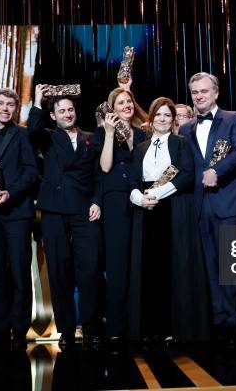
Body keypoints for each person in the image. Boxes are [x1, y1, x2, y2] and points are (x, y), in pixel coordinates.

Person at [127, 97, 209, 343]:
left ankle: (174, 327)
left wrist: (156, 193)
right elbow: (132, 180)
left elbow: (185, 175)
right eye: (158, 115)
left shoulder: (180, 143)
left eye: (167, 115)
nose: (163, 119)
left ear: (173, 120)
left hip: (173, 209)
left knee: (173, 266)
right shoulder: (141, 147)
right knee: (148, 269)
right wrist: (139, 198)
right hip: (146, 212)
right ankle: (150, 328)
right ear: (151, 118)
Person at [28, 84, 102, 348]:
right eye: (62, 110)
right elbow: (31, 132)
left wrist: (96, 201)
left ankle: (92, 329)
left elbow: (100, 174)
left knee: (90, 269)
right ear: (53, 116)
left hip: (85, 210)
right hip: (54, 210)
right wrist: (38, 100)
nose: (68, 114)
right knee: (59, 271)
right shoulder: (47, 137)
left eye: (70, 110)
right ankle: (67, 331)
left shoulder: (91, 138)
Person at [179, 72, 236, 339]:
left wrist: (217, 171)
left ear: (216, 93)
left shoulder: (234, 119)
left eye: (204, 91)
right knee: (208, 265)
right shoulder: (185, 128)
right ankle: (219, 320)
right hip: (198, 205)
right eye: (195, 92)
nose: (199, 96)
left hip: (227, 202)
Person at [0, 88, 38, 350]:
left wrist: (9, 193)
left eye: (9, 105)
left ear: (16, 109)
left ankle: (20, 329)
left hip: (17, 213)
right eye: (0, 104)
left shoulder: (23, 135)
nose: (4, 108)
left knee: (18, 272)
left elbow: (31, 171)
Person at [91, 87, 147, 344]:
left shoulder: (142, 132)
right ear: (111, 109)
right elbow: (104, 167)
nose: (126, 105)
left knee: (138, 261)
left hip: (141, 197)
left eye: (129, 101)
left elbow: (142, 165)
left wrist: (133, 140)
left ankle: (138, 325)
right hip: (115, 200)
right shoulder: (103, 132)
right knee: (117, 263)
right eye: (120, 102)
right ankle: (115, 326)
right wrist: (111, 132)